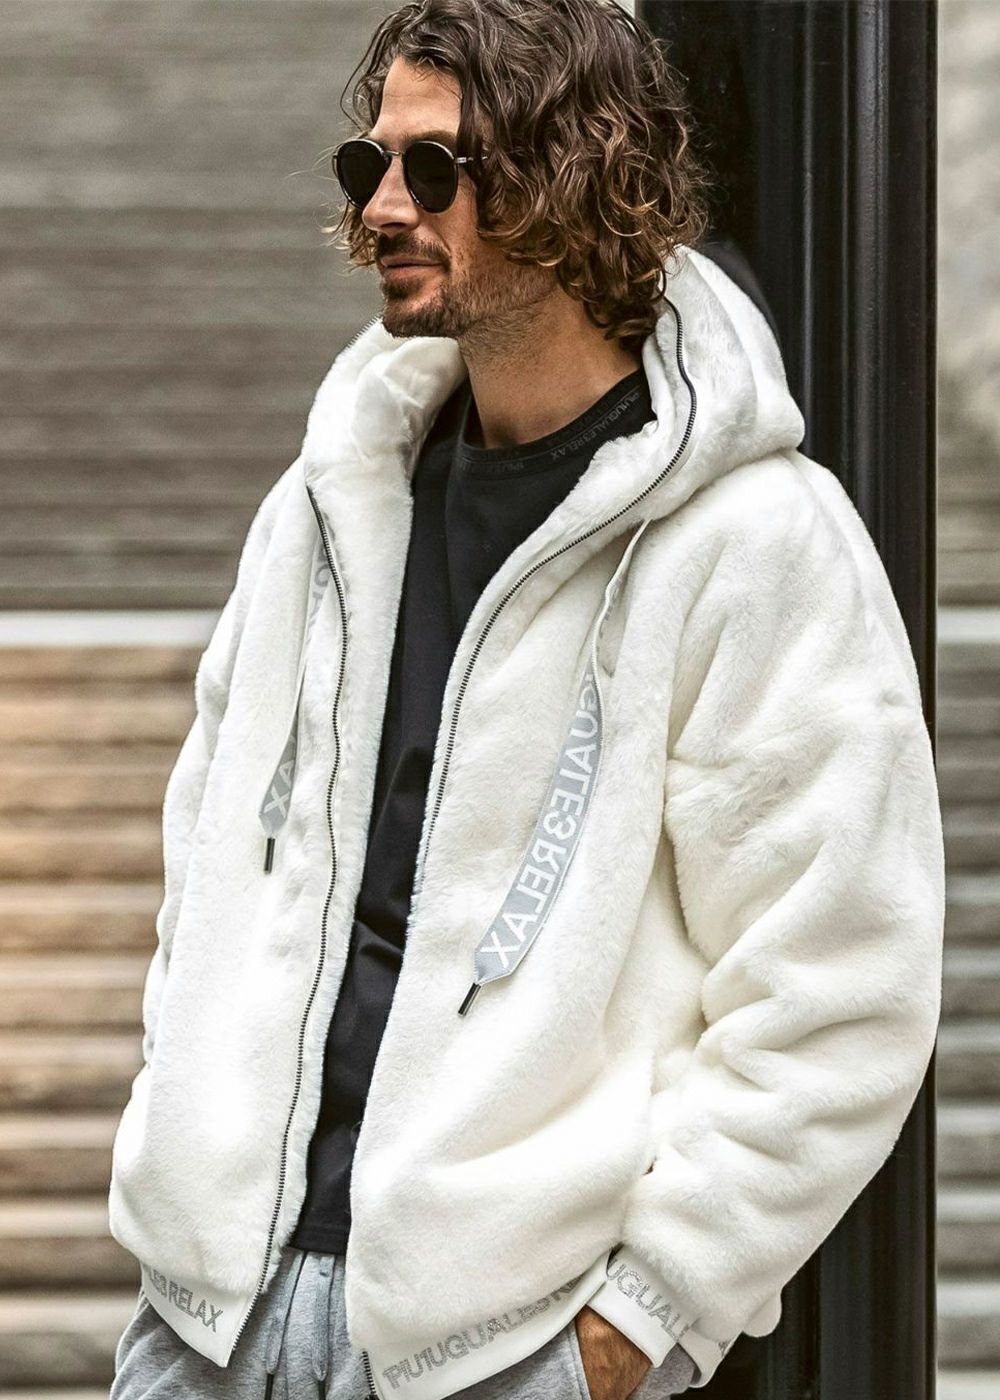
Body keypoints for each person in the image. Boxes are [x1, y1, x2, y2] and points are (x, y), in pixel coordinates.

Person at [107, 2, 946, 1398]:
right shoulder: (325, 507)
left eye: (436, 169)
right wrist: (182, 1147)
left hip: (501, 1345)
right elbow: (206, 865)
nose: (385, 205)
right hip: (210, 1320)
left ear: (574, 179)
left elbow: (843, 978)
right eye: (369, 165)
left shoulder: (755, 544)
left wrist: (633, 1325)